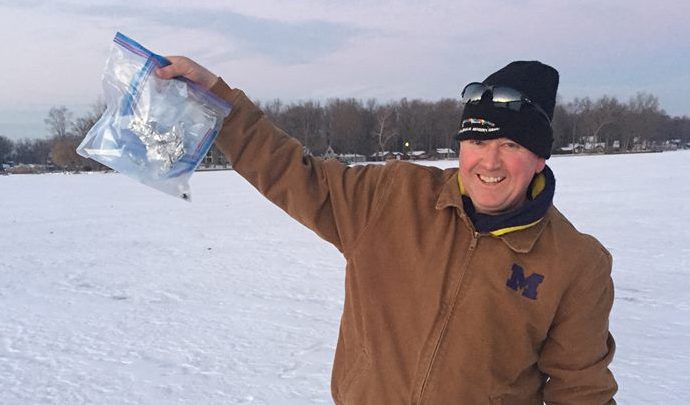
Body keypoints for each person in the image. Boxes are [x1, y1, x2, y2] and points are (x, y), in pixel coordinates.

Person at [157, 59, 617, 404]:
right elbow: (294, 173)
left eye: (511, 145)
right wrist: (219, 100)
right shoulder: (392, 196)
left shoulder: (576, 264)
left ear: (539, 157)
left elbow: (581, 391)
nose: (489, 162)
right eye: (477, 141)